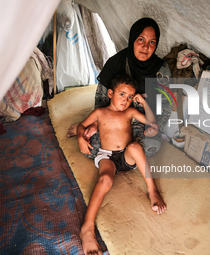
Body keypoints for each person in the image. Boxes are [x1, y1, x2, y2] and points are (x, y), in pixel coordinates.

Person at [78, 74, 167, 255]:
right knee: (105, 180)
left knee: (135, 146)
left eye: (129, 97)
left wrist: (141, 101)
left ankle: (152, 191)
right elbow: (81, 125)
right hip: (106, 157)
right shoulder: (100, 113)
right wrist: (80, 137)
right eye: (122, 94)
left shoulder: (130, 112)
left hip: (126, 155)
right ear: (110, 93)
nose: (125, 101)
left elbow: (151, 121)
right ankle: (87, 229)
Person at [68, 17, 172, 159]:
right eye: (141, 39)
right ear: (133, 40)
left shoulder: (162, 70)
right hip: (113, 117)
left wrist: (156, 126)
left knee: (150, 146)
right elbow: (101, 98)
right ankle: (84, 126)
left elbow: (166, 104)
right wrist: (97, 123)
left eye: (152, 42)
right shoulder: (116, 63)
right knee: (91, 146)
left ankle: (122, 153)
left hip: (142, 119)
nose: (146, 47)